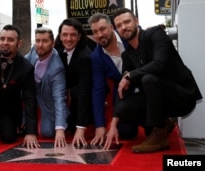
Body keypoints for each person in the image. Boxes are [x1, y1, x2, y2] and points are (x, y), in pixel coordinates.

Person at [103, 8, 202, 153]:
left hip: (181, 96)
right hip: (158, 101)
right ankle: (162, 125)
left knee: (149, 79)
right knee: (123, 106)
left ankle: (159, 136)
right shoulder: (127, 55)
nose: (124, 27)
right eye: (119, 25)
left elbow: (159, 64)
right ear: (116, 30)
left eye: (127, 22)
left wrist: (131, 75)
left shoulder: (155, 34)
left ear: (137, 21)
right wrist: (114, 123)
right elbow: (123, 88)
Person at [87, 12, 139, 146]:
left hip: (146, 86)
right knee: (127, 133)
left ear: (111, 27)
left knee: (153, 127)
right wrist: (100, 125)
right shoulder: (96, 57)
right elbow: (98, 90)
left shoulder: (129, 37)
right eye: (95, 31)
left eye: (102, 29)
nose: (99, 35)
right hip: (123, 95)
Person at [25, 27, 68, 148]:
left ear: (53, 43)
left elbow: (59, 99)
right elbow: (22, 64)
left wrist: (60, 129)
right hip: (31, 93)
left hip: (47, 101)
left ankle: (64, 121)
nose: (40, 45)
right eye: (38, 41)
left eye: (45, 41)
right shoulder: (34, 50)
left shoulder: (57, 68)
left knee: (48, 133)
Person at [55, 18, 92, 147]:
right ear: (60, 36)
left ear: (79, 36)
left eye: (73, 35)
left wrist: (80, 128)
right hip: (64, 95)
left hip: (83, 98)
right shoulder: (57, 51)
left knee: (77, 92)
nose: (68, 39)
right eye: (65, 34)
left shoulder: (85, 56)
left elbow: (84, 92)